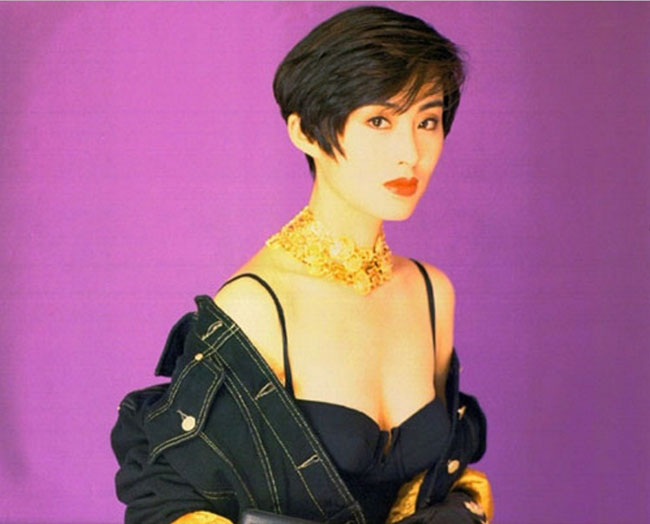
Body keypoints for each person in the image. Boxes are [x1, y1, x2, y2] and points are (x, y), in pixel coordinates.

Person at [111, 6, 491, 524]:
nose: (410, 152)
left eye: (427, 121)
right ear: (305, 132)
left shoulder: (431, 292)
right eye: (379, 121)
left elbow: (439, 473)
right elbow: (168, 498)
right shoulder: (256, 305)